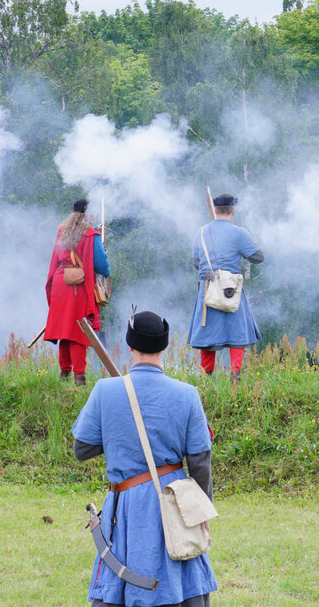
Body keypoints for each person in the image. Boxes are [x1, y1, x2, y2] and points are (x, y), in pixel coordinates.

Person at [72, 311, 218, 607]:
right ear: (163, 348)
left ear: (131, 346)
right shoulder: (187, 394)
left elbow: (82, 449)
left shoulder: (105, 390)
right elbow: (200, 462)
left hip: (126, 504)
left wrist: (118, 435)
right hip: (176, 502)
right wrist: (202, 512)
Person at [186, 194, 264, 380]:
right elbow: (258, 257)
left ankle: (207, 379)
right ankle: (235, 376)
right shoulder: (239, 233)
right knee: (237, 333)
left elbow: (197, 262)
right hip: (230, 288)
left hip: (207, 287)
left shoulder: (201, 232)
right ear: (233, 210)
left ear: (215, 210)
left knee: (207, 333)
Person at [43, 198, 110, 385]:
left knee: (65, 330)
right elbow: (101, 265)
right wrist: (106, 266)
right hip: (78, 287)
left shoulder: (63, 231)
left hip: (60, 283)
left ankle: (64, 373)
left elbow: (62, 253)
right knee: (80, 331)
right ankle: (79, 377)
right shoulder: (90, 235)